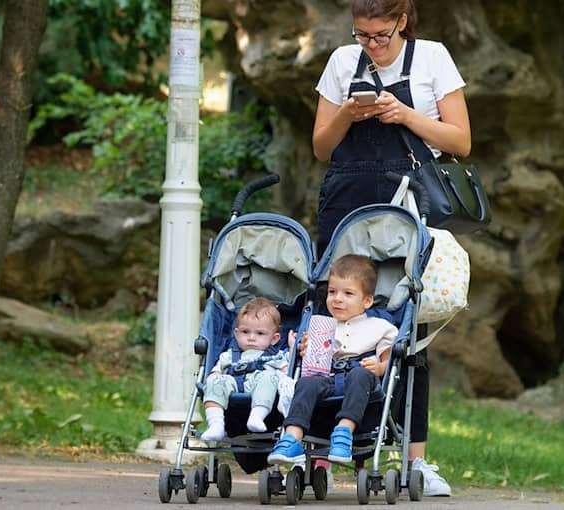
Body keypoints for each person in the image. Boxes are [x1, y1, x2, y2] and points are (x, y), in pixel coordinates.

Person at [308, 0, 468, 496]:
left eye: (381, 35)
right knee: (326, 319)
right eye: (363, 35)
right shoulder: (342, 61)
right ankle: (311, 447)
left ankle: (415, 460)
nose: (372, 45)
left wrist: (405, 115)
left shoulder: (433, 57)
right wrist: (348, 114)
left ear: (402, 21)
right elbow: (321, 146)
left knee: (406, 330)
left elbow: (460, 140)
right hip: (346, 203)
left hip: (407, 206)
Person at [268, 254, 397, 465]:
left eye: (348, 293)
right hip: (326, 378)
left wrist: (380, 367)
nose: (337, 298)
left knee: (360, 374)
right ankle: (292, 437)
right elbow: (310, 363)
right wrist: (306, 350)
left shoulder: (380, 327)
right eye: (332, 292)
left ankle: (343, 432)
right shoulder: (321, 325)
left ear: (367, 301)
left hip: (361, 382)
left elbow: (388, 362)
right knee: (307, 382)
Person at [199, 297, 287, 442]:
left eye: (260, 333)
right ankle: (216, 424)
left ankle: (257, 416)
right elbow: (217, 370)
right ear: (236, 333)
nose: (251, 338)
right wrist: (214, 376)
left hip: (260, 386)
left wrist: (284, 375)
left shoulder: (276, 356)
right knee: (215, 381)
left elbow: (286, 371)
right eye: (245, 332)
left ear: (274, 339)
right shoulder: (229, 355)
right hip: (233, 384)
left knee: (269, 377)